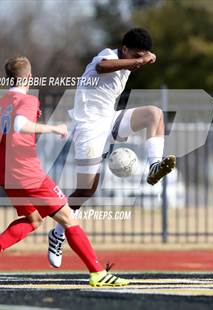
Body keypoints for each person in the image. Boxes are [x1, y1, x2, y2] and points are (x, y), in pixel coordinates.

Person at [0, 56, 129, 287]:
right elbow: (19, 125)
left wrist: (24, 133)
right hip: (28, 173)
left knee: (33, 218)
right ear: (29, 77)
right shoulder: (27, 100)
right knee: (68, 218)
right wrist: (52, 128)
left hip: (5, 172)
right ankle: (97, 272)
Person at [48, 28, 176, 268]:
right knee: (86, 190)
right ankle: (57, 233)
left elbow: (136, 60)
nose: (139, 61)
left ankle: (154, 166)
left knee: (154, 114)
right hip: (88, 127)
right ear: (125, 49)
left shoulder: (129, 60)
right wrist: (139, 60)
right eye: (136, 55)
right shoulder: (106, 55)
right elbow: (101, 67)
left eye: (143, 55)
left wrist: (144, 57)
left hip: (109, 120)